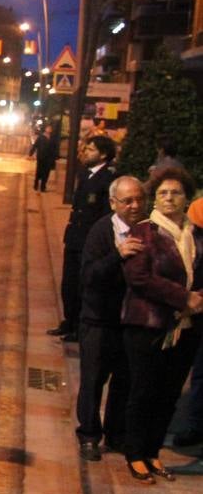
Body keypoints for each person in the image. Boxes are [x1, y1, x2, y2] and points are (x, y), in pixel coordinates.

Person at [120, 168, 203, 484]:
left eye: (176, 193)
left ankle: (153, 452)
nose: (169, 198)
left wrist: (197, 300)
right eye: (163, 193)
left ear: (187, 198)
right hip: (148, 325)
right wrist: (183, 297)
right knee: (143, 391)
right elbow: (139, 278)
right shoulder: (144, 232)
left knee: (169, 393)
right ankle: (135, 454)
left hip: (187, 327)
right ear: (155, 198)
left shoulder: (195, 235)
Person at [75, 176, 146, 461]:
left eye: (140, 199)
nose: (135, 205)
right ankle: (89, 435)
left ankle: (116, 434)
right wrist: (117, 255)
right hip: (99, 320)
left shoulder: (148, 231)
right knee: (93, 381)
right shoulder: (101, 231)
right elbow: (88, 276)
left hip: (130, 321)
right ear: (113, 203)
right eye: (128, 200)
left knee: (124, 381)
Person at [49, 136, 117, 341]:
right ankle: (68, 321)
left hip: (90, 242)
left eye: (91, 150)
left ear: (103, 154)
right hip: (75, 238)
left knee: (82, 285)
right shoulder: (85, 174)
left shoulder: (108, 179)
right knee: (68, 284)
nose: (85, 152)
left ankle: (79, 328)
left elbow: (106, 216)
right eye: (85, 149)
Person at [29, 124, 58, 192]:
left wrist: (55, 156)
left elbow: (54, 148)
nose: (49, 129)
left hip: (49, 158)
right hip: (41, 157)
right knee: (39, 171)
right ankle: (36, 184)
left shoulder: (52, 138)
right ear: (45, 129)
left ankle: (43, 186)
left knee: (46, 173)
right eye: (48, 128)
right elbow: (35, 145)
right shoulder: (41, 137)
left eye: (50, 128)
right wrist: (31, 153)